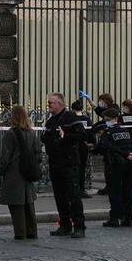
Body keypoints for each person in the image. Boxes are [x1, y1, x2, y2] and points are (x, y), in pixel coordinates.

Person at [42, 92, 86, 238]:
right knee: (59, 196)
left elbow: (82, 136)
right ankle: (65, 225)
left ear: (60, 104)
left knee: (73, 196)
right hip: (55, 162)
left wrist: (65, 136)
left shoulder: (71, 118)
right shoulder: (50, 121)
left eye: (51, 103)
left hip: (69, 162)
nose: (48, 105)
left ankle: (79, 226)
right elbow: (46, 138)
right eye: (48, 103)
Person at [0, 104, 40, 240]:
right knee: (28, 204)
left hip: (14, 173)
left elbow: (5, 156)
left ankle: (20, 232)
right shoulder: (32, 133)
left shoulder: (10, 134)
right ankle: (32, 231)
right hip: (28, 172)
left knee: (17, 206)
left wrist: (0, 170)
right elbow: (38, 153)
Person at [94, 107, 132, 227]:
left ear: (113, 119)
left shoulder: (108, 132)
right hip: (131, 163)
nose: (105, 121)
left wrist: (125, 154)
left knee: (114, 192)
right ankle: (128, 218)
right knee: (127, 192)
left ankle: (115, 218)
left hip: (115, 164)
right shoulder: (127, 130)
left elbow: (105, 146)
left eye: (106, 119)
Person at [90, 93, 118, 196]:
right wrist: (89, 100)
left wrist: (96, 129)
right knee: (107, 167)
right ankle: (109, 186)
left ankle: (111, 187)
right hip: (107, 144)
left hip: (112, 145)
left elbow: (103, 121)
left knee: (111, 168)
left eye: (101, 100)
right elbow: (97, 110)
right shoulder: (106, 110)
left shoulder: (113, 109)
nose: (99, 102)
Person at [69, 99, 92, 198]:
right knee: (82, 168)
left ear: (72, 109)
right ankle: (82, 189)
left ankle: (74, 189)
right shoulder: (86, 119)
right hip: (84, 145)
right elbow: (91, 133)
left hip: (73, 145)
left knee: (73, 168)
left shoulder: (71, 119)